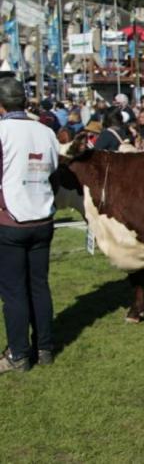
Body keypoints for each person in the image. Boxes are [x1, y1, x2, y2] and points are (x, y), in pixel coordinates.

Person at [0, 75, 60, 374]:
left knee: (13, 291)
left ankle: (19, 354)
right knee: (39, 286)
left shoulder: (2, 131)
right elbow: (53, 171)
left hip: (11, 219)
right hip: (42, 216)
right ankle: (45, 347)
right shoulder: (45, 131)